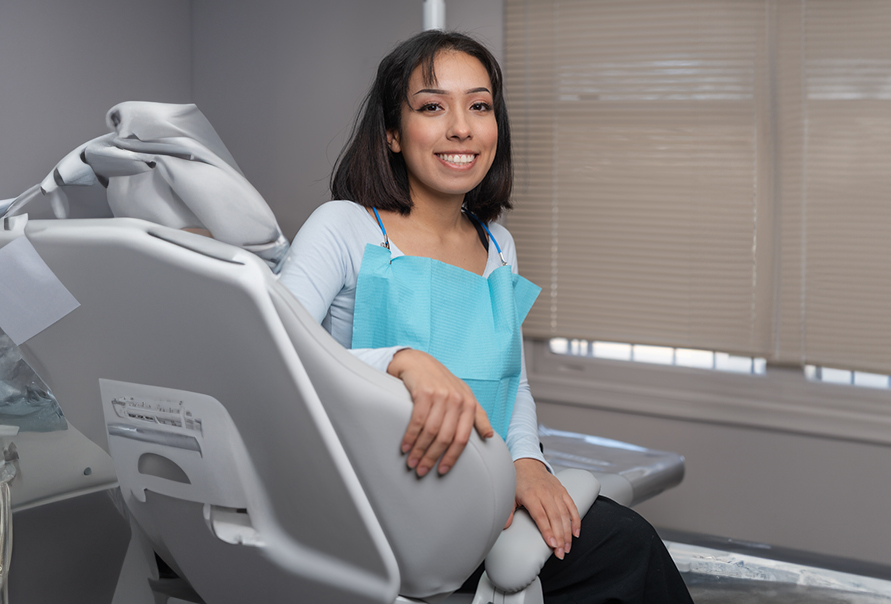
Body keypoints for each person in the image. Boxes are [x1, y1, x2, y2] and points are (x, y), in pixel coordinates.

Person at [277, 30, 694, 604]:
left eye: (479, 105)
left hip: (479, 491)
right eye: (432, 106)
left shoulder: (497, 243)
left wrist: (526, 462)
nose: (461, 127)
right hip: (376, 504)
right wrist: (399, 362)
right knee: (624, 550)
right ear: (393, 134)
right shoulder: (345, 226)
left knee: (623, 544)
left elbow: (512, 381)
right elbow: (270, 355)